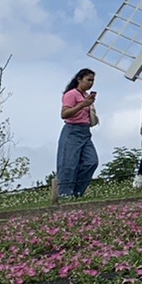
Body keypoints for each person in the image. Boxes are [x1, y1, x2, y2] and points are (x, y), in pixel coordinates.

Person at [57, 69, 101, 199]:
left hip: (85, 131)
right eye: (88, 80)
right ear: (79, 79)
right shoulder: (71, 94)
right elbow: (64, 114)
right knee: (69, 164)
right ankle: (65, 193)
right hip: (72, 130)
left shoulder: (86, 96)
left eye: (92, 80)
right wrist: (83, 105)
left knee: (91, 162)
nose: (91, 83)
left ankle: (77, 192)